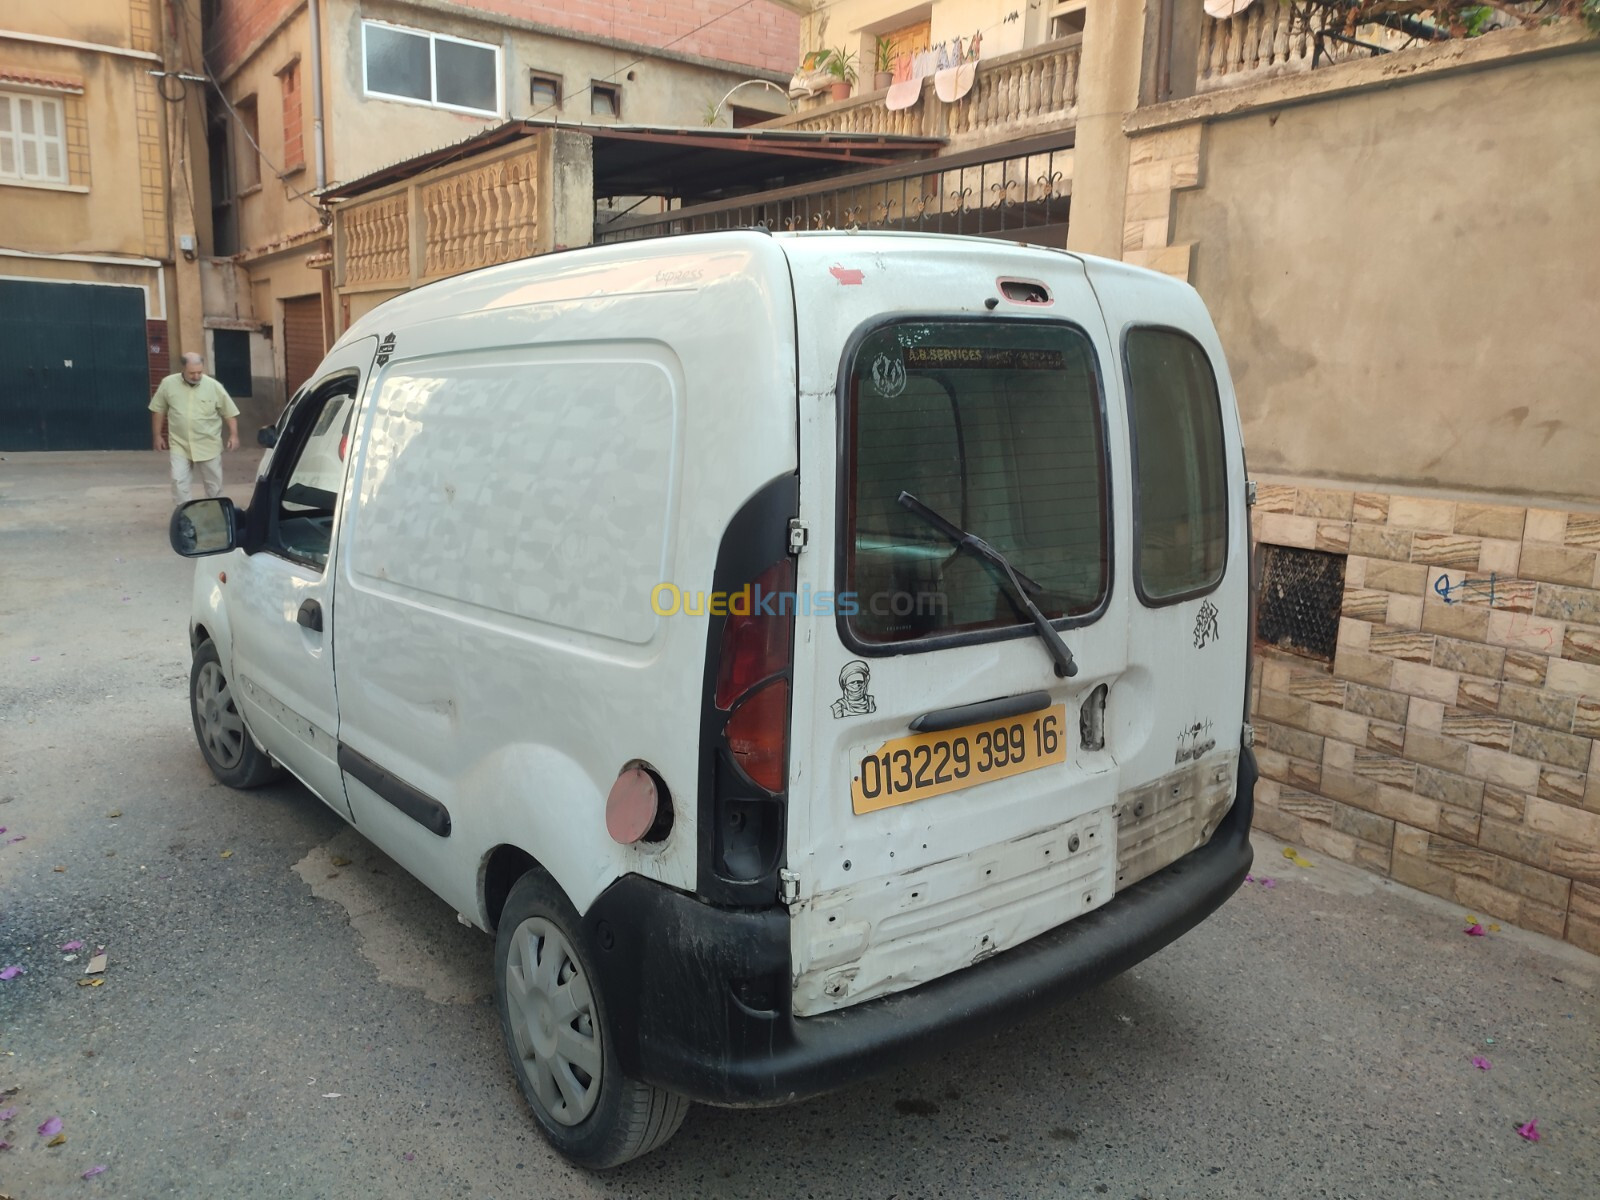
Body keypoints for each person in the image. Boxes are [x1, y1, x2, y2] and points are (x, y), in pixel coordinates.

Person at [150, 352, 240, 506]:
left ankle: (215, 517)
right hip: (180, 444)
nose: (197, 376)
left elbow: (229, 413)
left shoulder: (214, 386)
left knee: (214, 486)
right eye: (192, 373)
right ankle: (185, 518)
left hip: (208, 444)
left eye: (200, 372)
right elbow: (158, 409)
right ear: (183, 369)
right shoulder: (168, 384)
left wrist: (234, 434)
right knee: (178, 482)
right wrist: (157, 435)